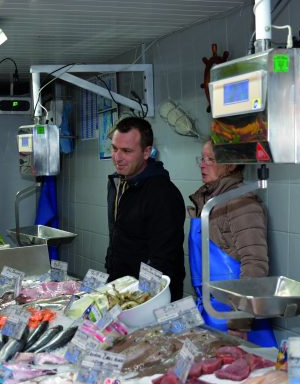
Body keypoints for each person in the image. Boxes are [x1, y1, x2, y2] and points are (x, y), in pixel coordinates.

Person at [188, 141, 277, 347]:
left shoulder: (243, 204)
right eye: (202, 159)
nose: (203, 165)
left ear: (231, 165)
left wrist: (241, 320)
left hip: (236, 321)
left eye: (211, 159)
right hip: (212, 313)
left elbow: (255, 265)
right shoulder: (209, 202)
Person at [105, 116, 185, 301]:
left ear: (147, 152)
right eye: (114, 148)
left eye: (126, 151)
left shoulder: (163, 194)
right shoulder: (119, 183)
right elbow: (119, 236)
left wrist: (139, 300)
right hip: (120, 289)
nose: (117, 157)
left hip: (150, 298)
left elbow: (163, 258)